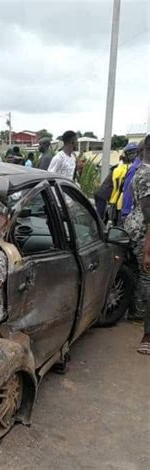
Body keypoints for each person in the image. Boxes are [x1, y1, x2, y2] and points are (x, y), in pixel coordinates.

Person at [123, 133, 150, 354]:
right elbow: (148, 212)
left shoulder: (141, 171)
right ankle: (138, 312)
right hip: (143, 230)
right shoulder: (146, 174)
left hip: (138, 226)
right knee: (146, 273)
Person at [120, 142, 142, 222]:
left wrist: (125, 213)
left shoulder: (133, 168)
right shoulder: (142, 165)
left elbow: (128, 191)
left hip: (133, 213)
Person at [107, 154, 130, 224]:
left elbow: (115, 187)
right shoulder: (131, 169)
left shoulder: (116, 170)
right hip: (125, 202)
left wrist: (111, 199)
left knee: (115, 222)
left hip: (116, 200)